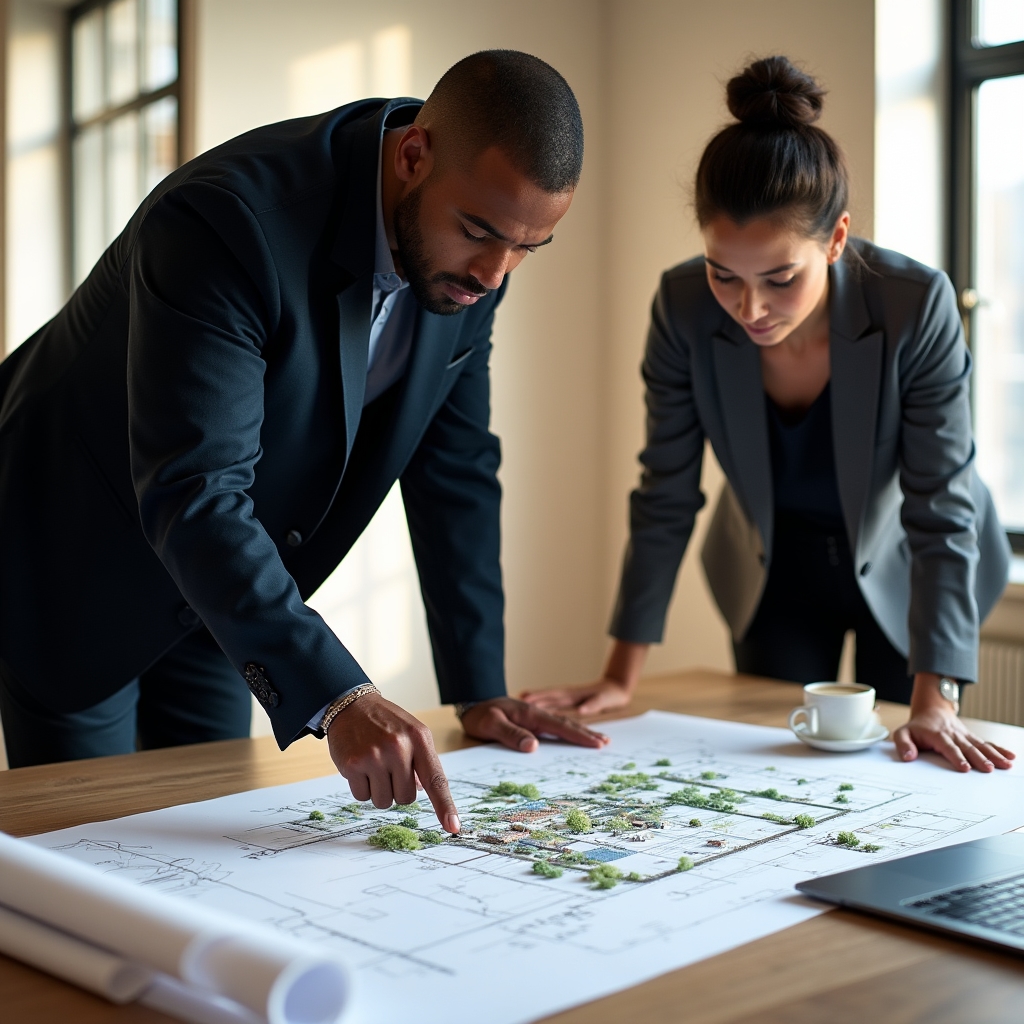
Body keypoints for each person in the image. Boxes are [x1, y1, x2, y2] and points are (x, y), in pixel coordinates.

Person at [0, 50, 608, 826]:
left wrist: (479, 686)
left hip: (226, 588)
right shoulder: (227, 221)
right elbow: (197, 486)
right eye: (482, 233)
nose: (496, 273)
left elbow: (454, 468)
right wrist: (339, 693)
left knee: (198, 837)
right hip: (75, 556)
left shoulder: (477, 255)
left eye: (528, 247)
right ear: (413, 155)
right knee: (91, 856)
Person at [524, 56, 1013, 774]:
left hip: (912, 564)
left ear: (837, 240)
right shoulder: (682, 307)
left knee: (910, 762)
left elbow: (941, 505)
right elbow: (665, 490)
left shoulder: (916, 305)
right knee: (776, 772)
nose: (750, 308)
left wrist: (937, 696)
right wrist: (620, 675)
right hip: (772, 568)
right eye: (725, 274)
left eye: (781, 278)